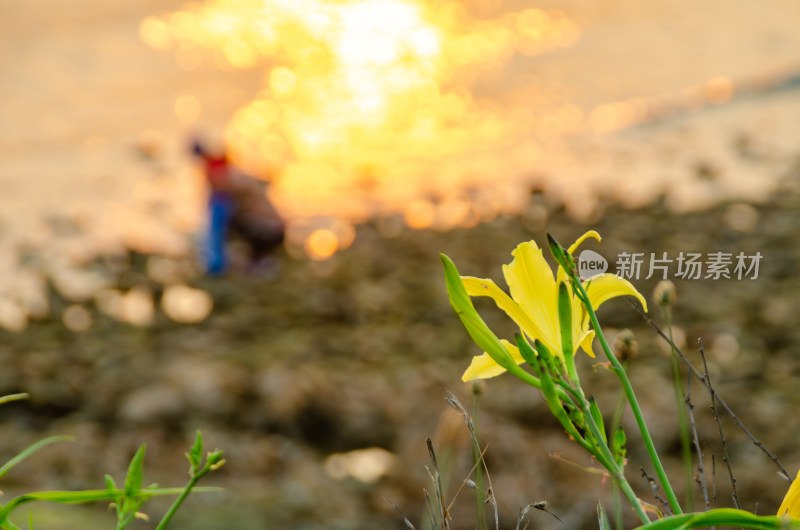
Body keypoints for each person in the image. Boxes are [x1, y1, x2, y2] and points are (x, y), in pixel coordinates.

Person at [192, 140, 285, 274]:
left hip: (271, 230)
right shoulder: (229, 185)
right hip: (265, 226)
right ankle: (250, 260)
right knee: (227, 222)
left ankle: (260, 260)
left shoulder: (236, 181)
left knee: (232, 222)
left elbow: (226, 183)